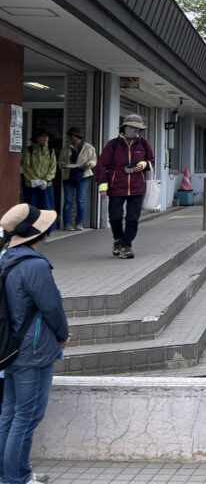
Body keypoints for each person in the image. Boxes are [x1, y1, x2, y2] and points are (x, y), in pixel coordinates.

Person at [0, 204, 70, 484]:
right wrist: (62, 335)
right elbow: (52, 307)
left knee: (9, 413)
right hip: (33, 349)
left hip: (9, 347)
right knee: (27, 416)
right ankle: (17, 476)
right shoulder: (34, 265)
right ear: (37, 233)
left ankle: (7, 474)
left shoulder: (6, 258)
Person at [96, 114, 154, 260]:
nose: (136, 131)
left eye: (138, 129)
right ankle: (118, 239)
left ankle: (126, 245)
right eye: (133, 128)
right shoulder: (113, 145)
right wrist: (103, 187)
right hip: (116, 186)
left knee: (132, 219)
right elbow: (102, 165)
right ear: (124, 128)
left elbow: (151, 160)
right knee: (115, 217)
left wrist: (144, 164)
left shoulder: (144, 143)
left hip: (137, 187)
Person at [61, 127, 96, 231]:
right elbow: (61, 160)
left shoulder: (89, 147)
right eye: (70, 135)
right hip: (68, 176)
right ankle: (67, 223)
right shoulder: (66, 148)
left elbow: (94, 160)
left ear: (77, 137)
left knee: (80, 201)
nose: (70, 137)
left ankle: (79, 223)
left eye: (72, 135)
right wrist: (62, 164)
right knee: (68, 201)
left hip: (83, 175)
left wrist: (89, 164)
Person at [20, 130, 56, 214]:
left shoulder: (51, 150)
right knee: (32, 208)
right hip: (31, 184)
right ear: (36, 138)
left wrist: (46, 180)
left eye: (47, 136)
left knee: (47, 208)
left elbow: (53, 167)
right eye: (43, 136)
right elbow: (26, 166)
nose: (45, 138)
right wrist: (36, 180)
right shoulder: (29, 150)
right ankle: (32, 227)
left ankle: (47, 227)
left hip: (46, 184)